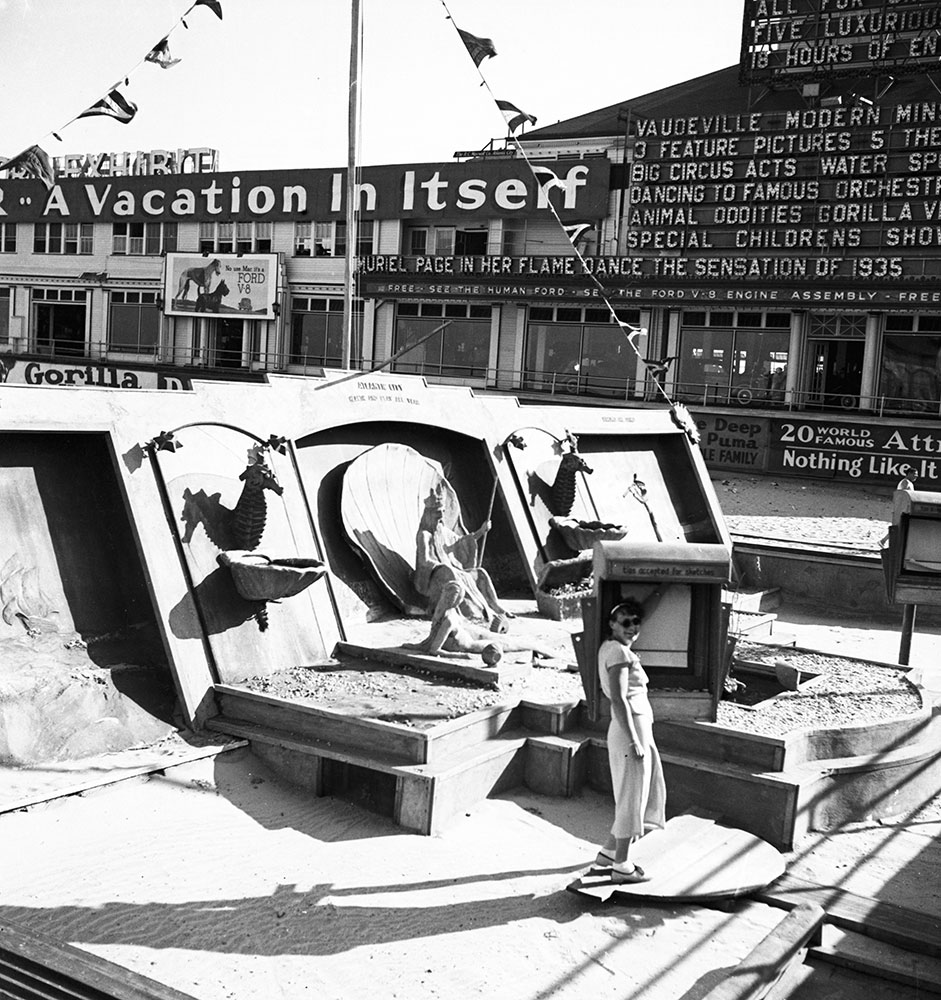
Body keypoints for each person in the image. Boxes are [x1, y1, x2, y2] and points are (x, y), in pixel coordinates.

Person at [594, 590, 667, 883]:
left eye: (636, 622)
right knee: (632, 797)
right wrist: (635, 740)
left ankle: (609, 852)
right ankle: (621, 866)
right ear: (612, 623)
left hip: (633, 728)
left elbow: (641, 610)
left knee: (631, 793)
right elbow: (619, 700)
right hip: (630, 730)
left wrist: (664, 587)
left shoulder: (611, 647)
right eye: (625, 622)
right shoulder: (619, 653)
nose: (633, 627)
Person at [413, 485, 512, 628]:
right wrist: (442, 566)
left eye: (442, 512)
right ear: (429, 514)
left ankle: (495, 606)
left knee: (480, 573)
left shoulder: (441, 531)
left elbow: (460, 542)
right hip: (432, 577)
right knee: (454, 574)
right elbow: (424, 561)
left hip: (450, 570)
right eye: (437, 513)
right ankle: (478, 612)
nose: (441, 516)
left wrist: (481, 531)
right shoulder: (424, 535)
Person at [407, 581, 557, 663]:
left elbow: (433, 645)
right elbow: (433, 645)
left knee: (507, 641)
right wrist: (415, 646)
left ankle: (544, 649)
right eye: (449, 596)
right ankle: (543, 649)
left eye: (454, 598)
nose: (450, 600)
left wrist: (461, 656)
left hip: (469, 638)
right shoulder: (445, 616)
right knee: (509, 643)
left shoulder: (449, 615)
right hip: (467, 640)